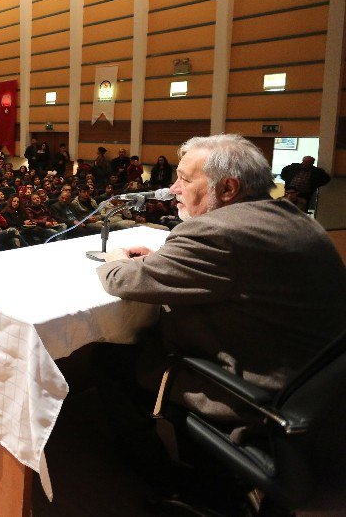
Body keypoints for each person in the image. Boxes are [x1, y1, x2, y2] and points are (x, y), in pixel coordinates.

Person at [96, 134, 346, 495]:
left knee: (110, 359)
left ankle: (166, 483)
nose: (173, 188)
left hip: (260, 399)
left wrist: (115, 259)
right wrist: (168, 260)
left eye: (184, 178)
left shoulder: (216, 232)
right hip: (315, 389)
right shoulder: (293, 216)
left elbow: (122, 280)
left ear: (227, 188)